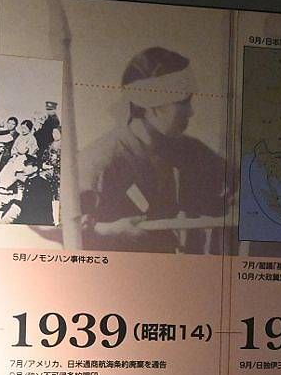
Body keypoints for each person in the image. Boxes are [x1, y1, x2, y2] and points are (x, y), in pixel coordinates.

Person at [79, 47, 227, 253]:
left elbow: (233, 187)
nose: (191, 112)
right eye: (183, 103)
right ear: (152, 104)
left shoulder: (190, 150)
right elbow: (56, 228)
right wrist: (108, 232)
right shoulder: (100, 161)